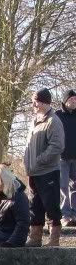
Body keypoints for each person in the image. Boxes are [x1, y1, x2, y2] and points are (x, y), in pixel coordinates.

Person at [23, 88, 65, 247]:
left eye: (36, 100)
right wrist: (27, 161)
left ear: (44, 101)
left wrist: (40, 160)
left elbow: (57, 146)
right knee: (35, 206)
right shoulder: (34, 121)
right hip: (33, 173)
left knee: (51, 206)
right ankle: (35, 238)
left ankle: (54, 240)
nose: (33, 104)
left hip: (48, 171)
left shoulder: (53, 121)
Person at [55, 89, 76, 227]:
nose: (74, 102)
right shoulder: (57, 116)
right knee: (63, 187)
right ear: (65, 100)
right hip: (61, 157)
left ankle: (74, 214)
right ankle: (65, 215)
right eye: (72, 99)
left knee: (75, 186)